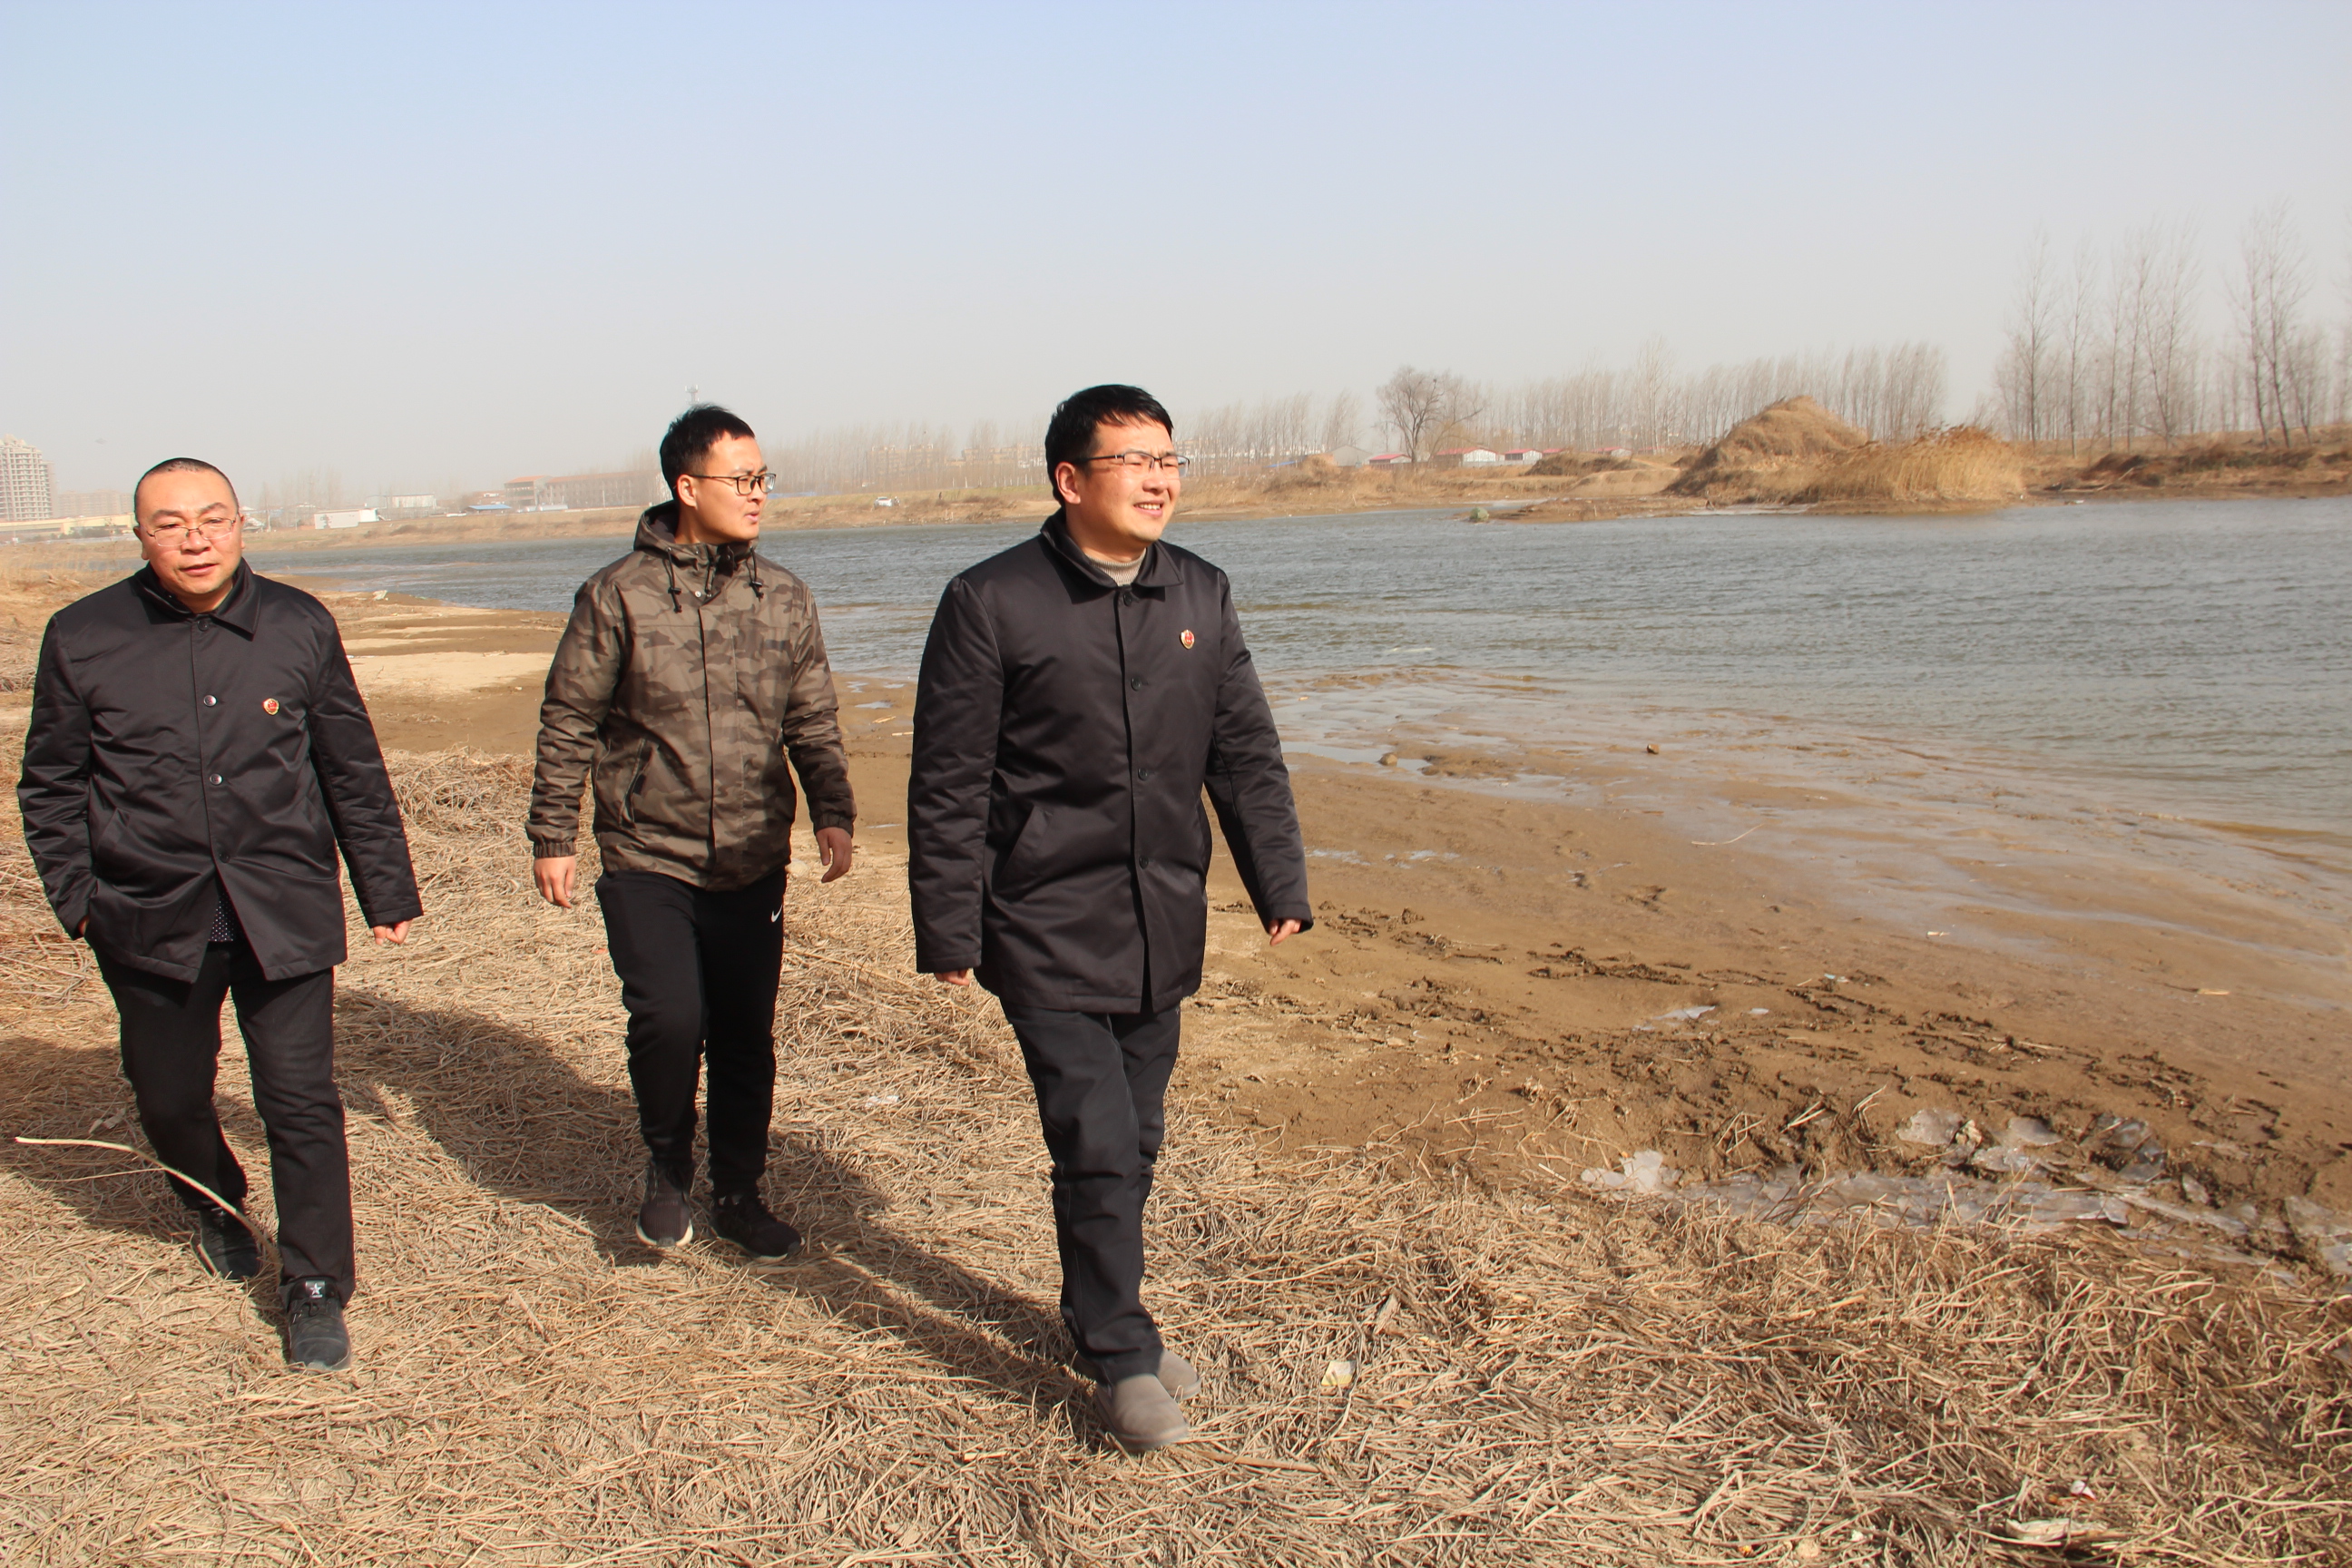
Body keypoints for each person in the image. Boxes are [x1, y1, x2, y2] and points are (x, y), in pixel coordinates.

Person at [907, 384, 1313, 1449]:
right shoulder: (992, 601)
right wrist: (947, 926)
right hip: (1040, 917)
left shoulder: (1200, 593)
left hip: (1160, 917)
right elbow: (949, 780)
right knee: (1093, 1134)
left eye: (1169, 459)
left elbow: (1244, 753)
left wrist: (1278, 882)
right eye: (1135, 460)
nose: (1158, 479)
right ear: (1070, 479)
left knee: (1137, 1135)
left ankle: (1105, 1306)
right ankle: (1122, 1355)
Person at [18, 457, 421, 1373]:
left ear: (241, 523)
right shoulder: (84, 635)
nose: (194, 540)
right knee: (168, 1096)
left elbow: (349, 764)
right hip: (147, 912)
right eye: (170, 524)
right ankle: (212, 1201)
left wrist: (385, 887)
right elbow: (50, 784)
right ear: (140, 536)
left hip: (282, 904)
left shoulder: (297, 623)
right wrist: (79, 902)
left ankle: (315, 1285)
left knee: (300, 1101)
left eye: (212, 519)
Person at [528, 404, 855, 1262]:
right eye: (740, 479)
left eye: (763, 479)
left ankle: (740, 1192)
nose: (757, 494)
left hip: (752, 855)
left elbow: (812, 716)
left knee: (745, 1030)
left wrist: (833, 810)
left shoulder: (784, 596)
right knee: (670, 1019)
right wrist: (553, 834)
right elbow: (570, 718)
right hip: (649, 851)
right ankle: (668, 1164)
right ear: (686, 485)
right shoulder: (618, 595)